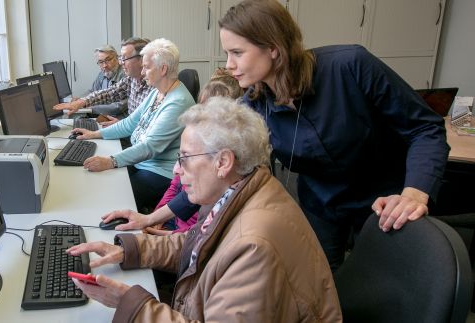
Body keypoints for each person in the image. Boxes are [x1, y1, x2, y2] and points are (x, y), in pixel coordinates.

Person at [219, 0, 450, 270]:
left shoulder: (350, 65)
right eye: (227, 53)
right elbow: (220, 163)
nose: (228, 65)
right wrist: (174, 213)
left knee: (383, 286)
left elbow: (425, 128)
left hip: (384, 201)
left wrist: (414, 193)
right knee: (319, 282)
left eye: (237, 52)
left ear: (273, 48)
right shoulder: (253, 106)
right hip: (321, 205)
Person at [66, 97, 341, 322]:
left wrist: (129, 304)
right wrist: (131, 250)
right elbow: (201, 242)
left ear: (223, 162)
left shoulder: (254, 247)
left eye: (184, 158)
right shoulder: (242, 188)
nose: (176, 169)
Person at [101, 68, 244, 235]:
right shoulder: (199, 150)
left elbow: (200, 237)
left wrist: (159, 233)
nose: (176, 168)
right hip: (174, 230)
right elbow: (176, 188)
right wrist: (155, 218)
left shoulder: (223, 176)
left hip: (180, 240)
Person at [70, 38, 195, 213]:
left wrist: (111, 161)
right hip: (143, 163)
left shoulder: (178, 101)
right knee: (98, 183)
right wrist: (94, 135)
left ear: (163, 69)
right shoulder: (157, 92)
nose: (142, 72)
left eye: (146, 67)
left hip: (158, 172)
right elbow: (130, 123)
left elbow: (149, 147)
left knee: (109, 197)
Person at [54, 38, 152, 126]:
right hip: (123, 126)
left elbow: (120, 108)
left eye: (124, 59)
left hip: (123, 124)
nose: (122, 62)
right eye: (101, 62)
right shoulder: (131, 79)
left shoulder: (153, 87)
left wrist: (122, 126)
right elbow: (109, 93)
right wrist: (81, 101)